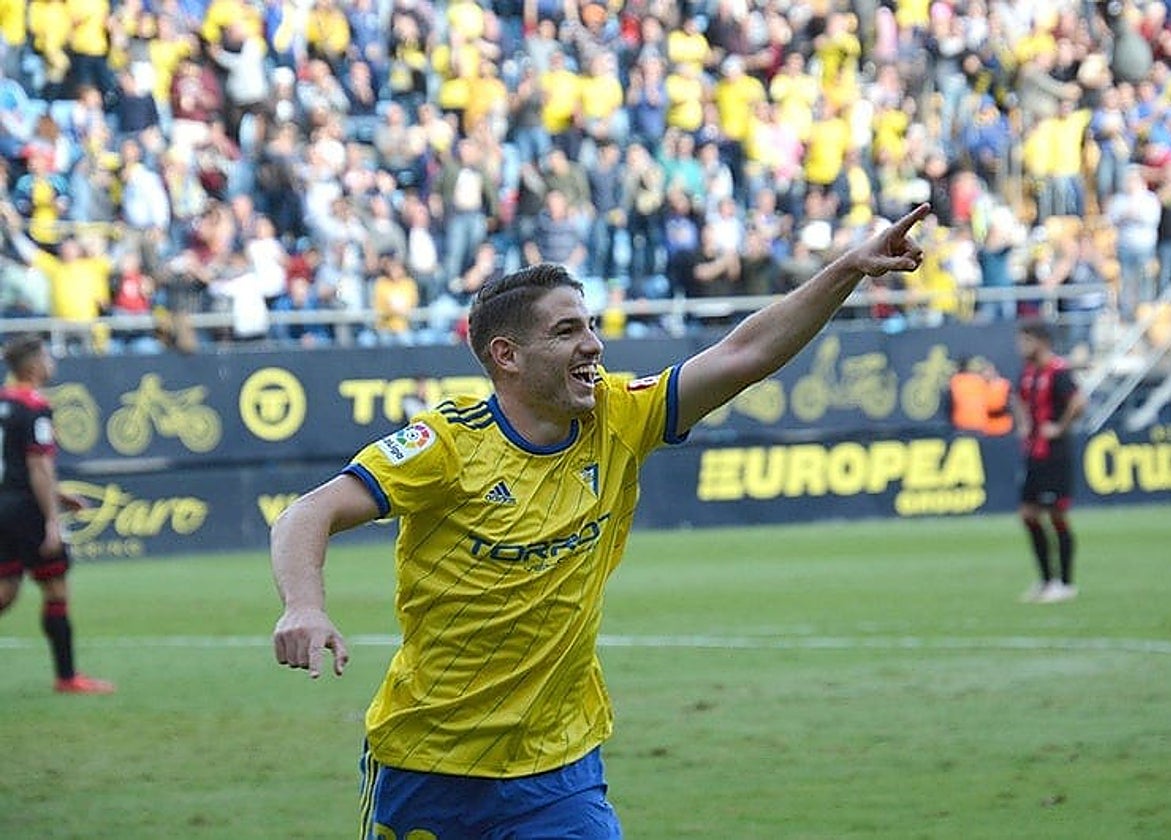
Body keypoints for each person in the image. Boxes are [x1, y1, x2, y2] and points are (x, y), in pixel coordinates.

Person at [270, 205, 931, 839]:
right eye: (567, 332)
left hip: (560, 770)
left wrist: (848, 268)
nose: (594, 344)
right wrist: (304, 605)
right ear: (506, 355)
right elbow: (310, 512)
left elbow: (744, 354)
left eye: (589, 325)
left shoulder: (619, 415)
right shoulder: (448, 444)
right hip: (429, 761)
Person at [0, 334, 114, 694]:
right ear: (33, 366)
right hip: (26, 510)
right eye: (47, 357)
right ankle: (67, 678)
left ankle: (67, 677)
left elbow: (13, 463)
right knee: (54, 587)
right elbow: (37, 466)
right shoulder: (35, 407)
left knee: (5, 591)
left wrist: (60, 494)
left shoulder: (4, 402)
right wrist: (52, 519)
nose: (51, 363)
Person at [1012, 320, 1087, 605]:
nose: (1021, 347)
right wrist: (1022, 424)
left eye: (1025, 341)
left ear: (1041, 342)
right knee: (1028, 515)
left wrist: (1059, 427)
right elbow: (1017, 399)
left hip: (1055, 454)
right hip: (1034, 452)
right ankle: (1046, 581)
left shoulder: (1059, 371)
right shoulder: (1029, 373)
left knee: (1056, 514)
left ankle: (1065, 583)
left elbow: (1079, 402)